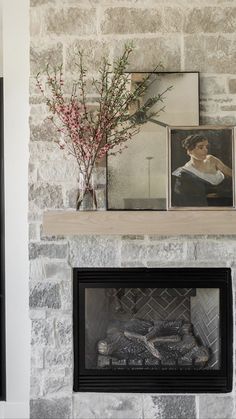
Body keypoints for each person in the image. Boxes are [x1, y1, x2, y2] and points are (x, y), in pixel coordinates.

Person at [172, 134, 233, 207]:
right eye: (201, 147)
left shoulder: (211, 159)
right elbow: (186, 199)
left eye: (206, 147)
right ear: (189, 151)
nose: (205, 150)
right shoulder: (183, 173)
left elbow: (232, 173)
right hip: (206, 207)